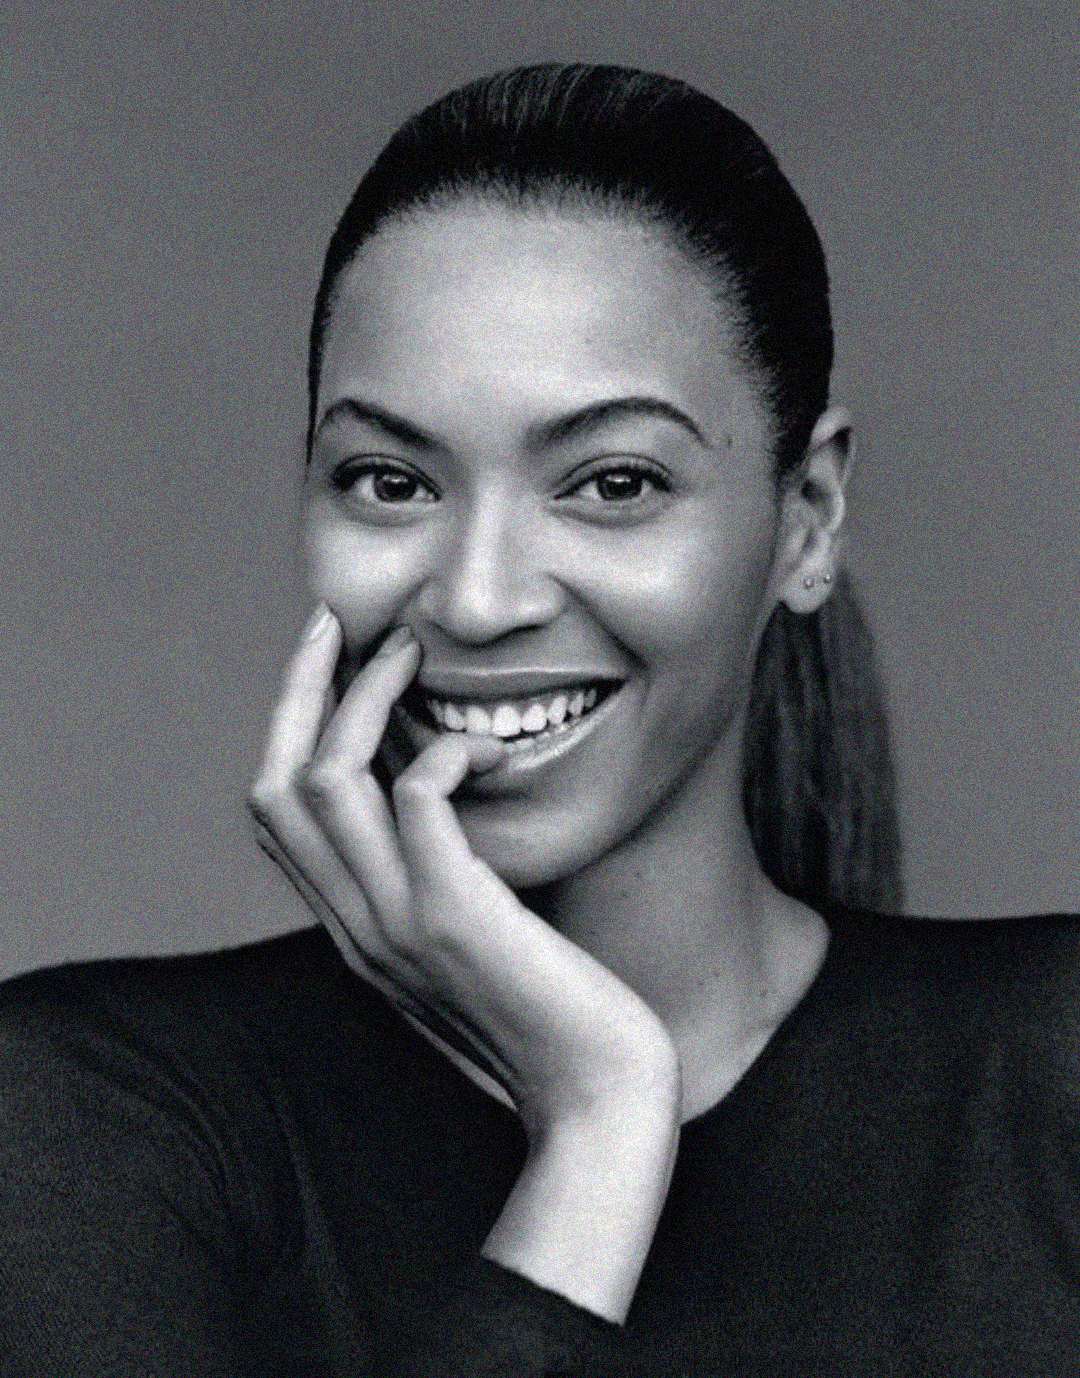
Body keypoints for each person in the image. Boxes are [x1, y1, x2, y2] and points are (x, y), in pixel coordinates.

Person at [0, 63, 1075, 1377]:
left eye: (614, 481)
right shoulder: (94, 1111)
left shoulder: (1049, 1074)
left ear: (809, 518)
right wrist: (600, 1127)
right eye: (390, 480)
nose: (478, 595)